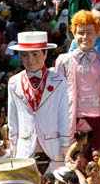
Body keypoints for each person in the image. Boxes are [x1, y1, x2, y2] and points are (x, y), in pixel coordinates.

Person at [55, 11, 100, 151]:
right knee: (75, 162)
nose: (85, 37)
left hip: (99, 118)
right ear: (74, 34)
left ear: (96, 34)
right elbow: (58, 96)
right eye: (81, 32)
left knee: (98, 162)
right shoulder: (63, 61)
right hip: (73, 119)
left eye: (89, 32)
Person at [7, 31, 71, 173]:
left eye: (35, 54)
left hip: (54, 150)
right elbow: (12, 120)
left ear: (45, 54)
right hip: (24, 149)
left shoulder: (59, 81)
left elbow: (64, 117)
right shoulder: (13, 82)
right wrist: (13, 149)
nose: (30, 60)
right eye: (25, 55)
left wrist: (65, 147)